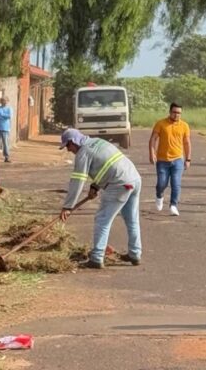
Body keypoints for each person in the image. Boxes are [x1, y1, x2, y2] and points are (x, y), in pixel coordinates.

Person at [59, 127, 142, 269]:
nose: (68, 150)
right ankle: (135, 254)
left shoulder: (83, 153)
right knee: (131, 219)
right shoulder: (97, 142)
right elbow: (106, 166)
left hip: (119, 184)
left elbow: (77, 181)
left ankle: (97, 257)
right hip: (134, 179)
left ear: (73, 142)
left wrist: (68, 206)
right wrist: (95, 187)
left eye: (68, 145)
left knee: (102, 219)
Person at [149, 102, 191, 216]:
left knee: (176, 183)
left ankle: (173, 205)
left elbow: (187, 143)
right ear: (170, 112)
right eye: (174, 112)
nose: (176, 115)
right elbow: (153, 139)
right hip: (162, 160)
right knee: (162, 183)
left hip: (178, 160)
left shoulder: (184, 126)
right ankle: (159, 195)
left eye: (179, 113)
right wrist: (152, 153)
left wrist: (188, 159)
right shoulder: (161, 124)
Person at [0, 95, 13, 163]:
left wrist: (2, 115)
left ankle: (6, 157)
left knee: (5, 144)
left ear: (7, 101)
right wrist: (4, 116)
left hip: (5, 128)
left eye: (5, 101)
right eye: (2, 100)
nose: (4, 102)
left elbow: (9, 116)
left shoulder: (9, 109)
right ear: (1, 101)